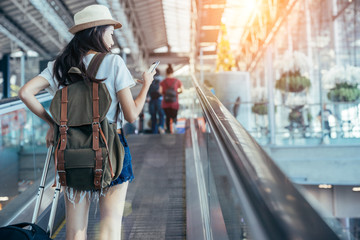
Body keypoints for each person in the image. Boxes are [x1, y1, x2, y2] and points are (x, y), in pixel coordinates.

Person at [18, 4, 155, 240]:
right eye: (110, 31)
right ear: (97, 31)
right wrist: (146, 86)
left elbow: (25, 93)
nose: (112, 36)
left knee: (74, 231)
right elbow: (132, 115)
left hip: (72, 149)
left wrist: (54, 124)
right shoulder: (114, 63)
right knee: (110, 227)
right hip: (113, 150)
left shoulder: (59, 66)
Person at [160, 64, 183, 133]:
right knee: (174, 117)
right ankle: (174, 128)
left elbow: (160, 92)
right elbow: (182, 90)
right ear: (172, 72)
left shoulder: (163, 82)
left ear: (166, 73)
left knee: (167, 117)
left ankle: (168, 130)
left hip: (166, 103)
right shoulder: (177, 81)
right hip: (174, 103)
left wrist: (166, 94)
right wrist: (176, 93)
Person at [147, 69, 165, 134]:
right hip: (159, 99)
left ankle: (154, 132)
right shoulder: (161, 79)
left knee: (153, 116)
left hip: (151, 99)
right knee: (161, 114)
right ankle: (161, 126)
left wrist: (147, 97)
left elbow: (147, 89)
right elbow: (162, 90)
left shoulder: (149, 79)